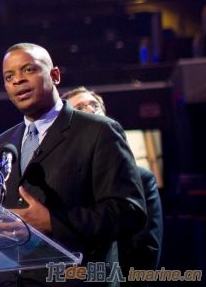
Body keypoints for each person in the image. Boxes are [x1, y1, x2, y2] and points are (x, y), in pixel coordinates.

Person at [0, 43, 147, 286]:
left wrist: (52, 221)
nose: (18, 80)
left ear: (55, 75)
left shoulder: (99, 131)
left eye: (28, 70)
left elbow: (128, 213)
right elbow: (0, 220)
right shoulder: (1, 143)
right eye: (9, 76)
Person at [61, 87, 163, 281]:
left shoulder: (141, 178)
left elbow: (146, 248)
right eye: (80, 107)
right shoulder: (62, 177)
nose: (90, 109)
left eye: (94, 105)